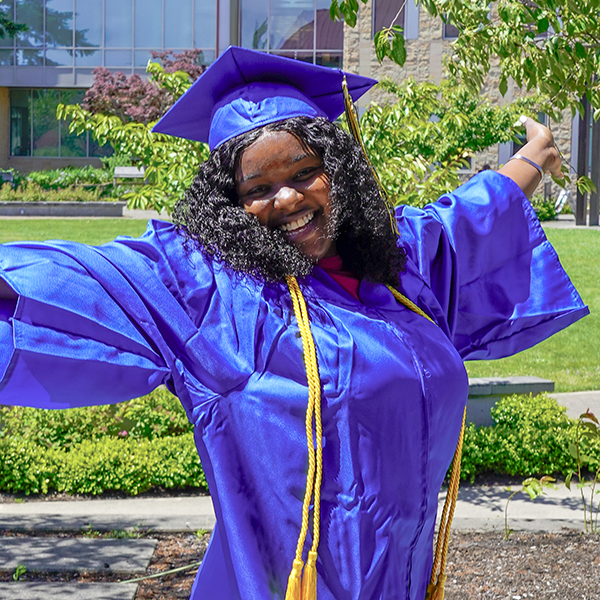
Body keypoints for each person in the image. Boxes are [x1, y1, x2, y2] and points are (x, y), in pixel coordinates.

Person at [0, 47, 588, 600]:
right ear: (229, 204)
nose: (285, 198)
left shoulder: (399, 262)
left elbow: (470, 217)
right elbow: (73, 282)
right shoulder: (207, 293)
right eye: (257, 188)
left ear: (340, 169)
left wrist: (532, 156)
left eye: (304, 172)